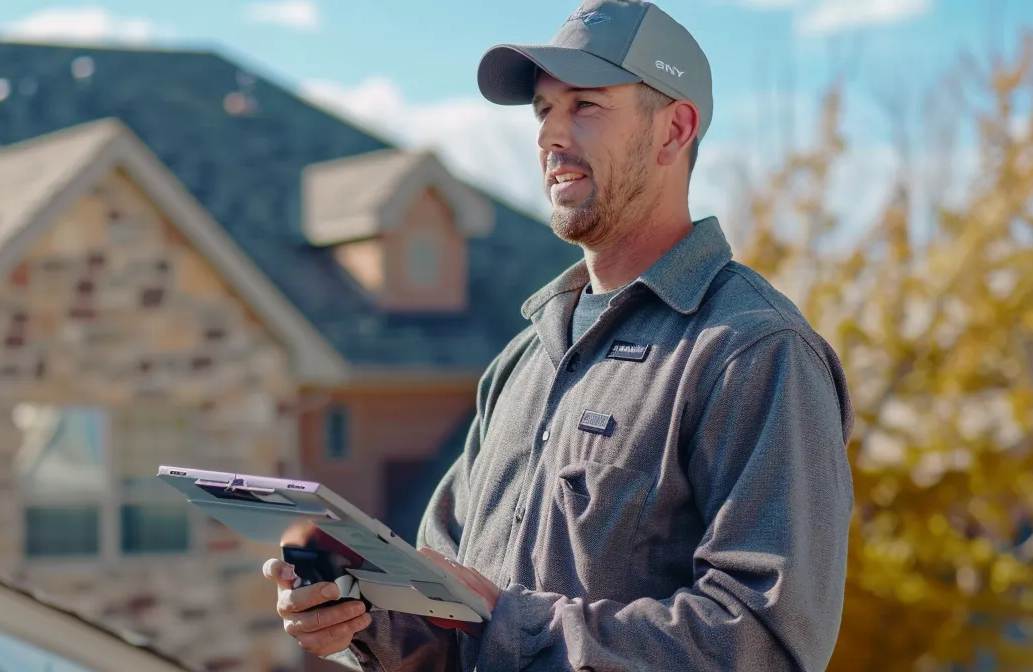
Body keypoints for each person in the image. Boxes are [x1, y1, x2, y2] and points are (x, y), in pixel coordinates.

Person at [264, 0, 855, 669]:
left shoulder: (753, 352)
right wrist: (357, 619)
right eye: (544, 110)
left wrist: (509, 623)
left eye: (586, 106)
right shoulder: (523, 361)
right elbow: (455, 617)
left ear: (674, 130)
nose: (551, 134)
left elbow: (763, 642)